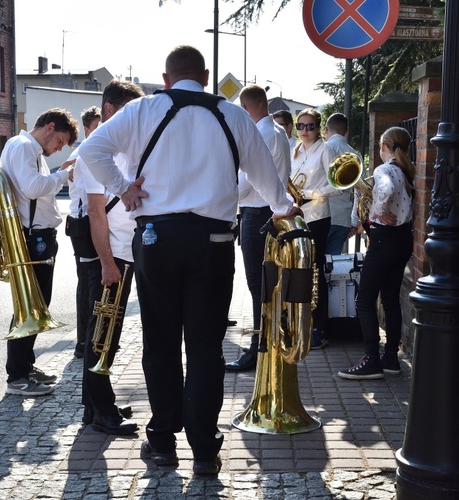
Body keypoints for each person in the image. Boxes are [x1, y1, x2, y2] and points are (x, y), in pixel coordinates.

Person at [80, 45, 299, 475]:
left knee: (160, 342)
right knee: (205, 348)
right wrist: (282, 205)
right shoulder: (232, 114)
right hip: (214, 242)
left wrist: (124, 188)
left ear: (165, 79)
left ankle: (162, 442)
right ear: (206, 76)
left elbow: (92, 151)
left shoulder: (144, 108)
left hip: (157, 239)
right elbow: (265, 176)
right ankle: (205, 450)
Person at [78, 80, 144, 435]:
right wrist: (106, 263)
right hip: (112, 254)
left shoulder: (119, 143)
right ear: (109, 110)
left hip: (123, 249)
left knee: (106, 329)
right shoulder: (97, 147)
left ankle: (95, 404)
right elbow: (96, 211)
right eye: (128, 111)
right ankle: (101, 411)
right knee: (103, 331)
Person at [0, 108, 78, 396]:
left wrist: (58, 173)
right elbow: (32, 188)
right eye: (60, 141)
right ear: (50, 127)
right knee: (29, 307)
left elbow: (37, 189)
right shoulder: (22, 147)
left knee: (37, 306)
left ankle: (25, 366)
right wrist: (64, 176)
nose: (58, 148)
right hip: (34, 238)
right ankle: (16, 378)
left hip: (40, 236)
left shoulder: (31, 150)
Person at [338, 126, 414, 380]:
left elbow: (386, 188)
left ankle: (371, 359)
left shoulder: (384, 170)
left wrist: (378, 210)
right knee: (391, 299)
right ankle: (390, 357)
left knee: (364, 300)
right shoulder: (406, 170)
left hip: (383, 242)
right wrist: (369, 215)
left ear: (383, 146)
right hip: (402, 240)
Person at [225, 85, 291, 372]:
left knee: (258, 285)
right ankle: (271, 340)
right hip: (269, 211)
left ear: (247, 108)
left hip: (257, 213)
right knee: (269, 283)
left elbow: (247, 181)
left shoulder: (260, 133)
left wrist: (222, 197)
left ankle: (258, 348)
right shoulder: (278, 131)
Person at [290, 108, 336, 350]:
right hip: (298, 216)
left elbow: (337, 186)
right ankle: (301, 323)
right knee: (298, 271)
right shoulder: (295, 151)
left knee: (315, 271)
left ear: (319, 128)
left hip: (317, 216)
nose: (304, 131)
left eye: (310, 126)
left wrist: (307, 194)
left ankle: (321, 328)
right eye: (300, 126)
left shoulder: (326, 150)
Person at [68, 106, 101, 359]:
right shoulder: (85, 151)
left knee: (92, 281)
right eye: (97, 126)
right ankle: (84, 341)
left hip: (88, 220)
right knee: (88, 282)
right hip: (82, 222)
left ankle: (88, 339)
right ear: (87, 128)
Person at [324, 113, 360, 256]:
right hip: (343, 217)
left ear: (326, 130)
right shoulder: (355, 154)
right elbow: (359, 191)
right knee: (334, 263)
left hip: (322, 214)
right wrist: (354, 221)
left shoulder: (323, 150)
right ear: (347, 131)